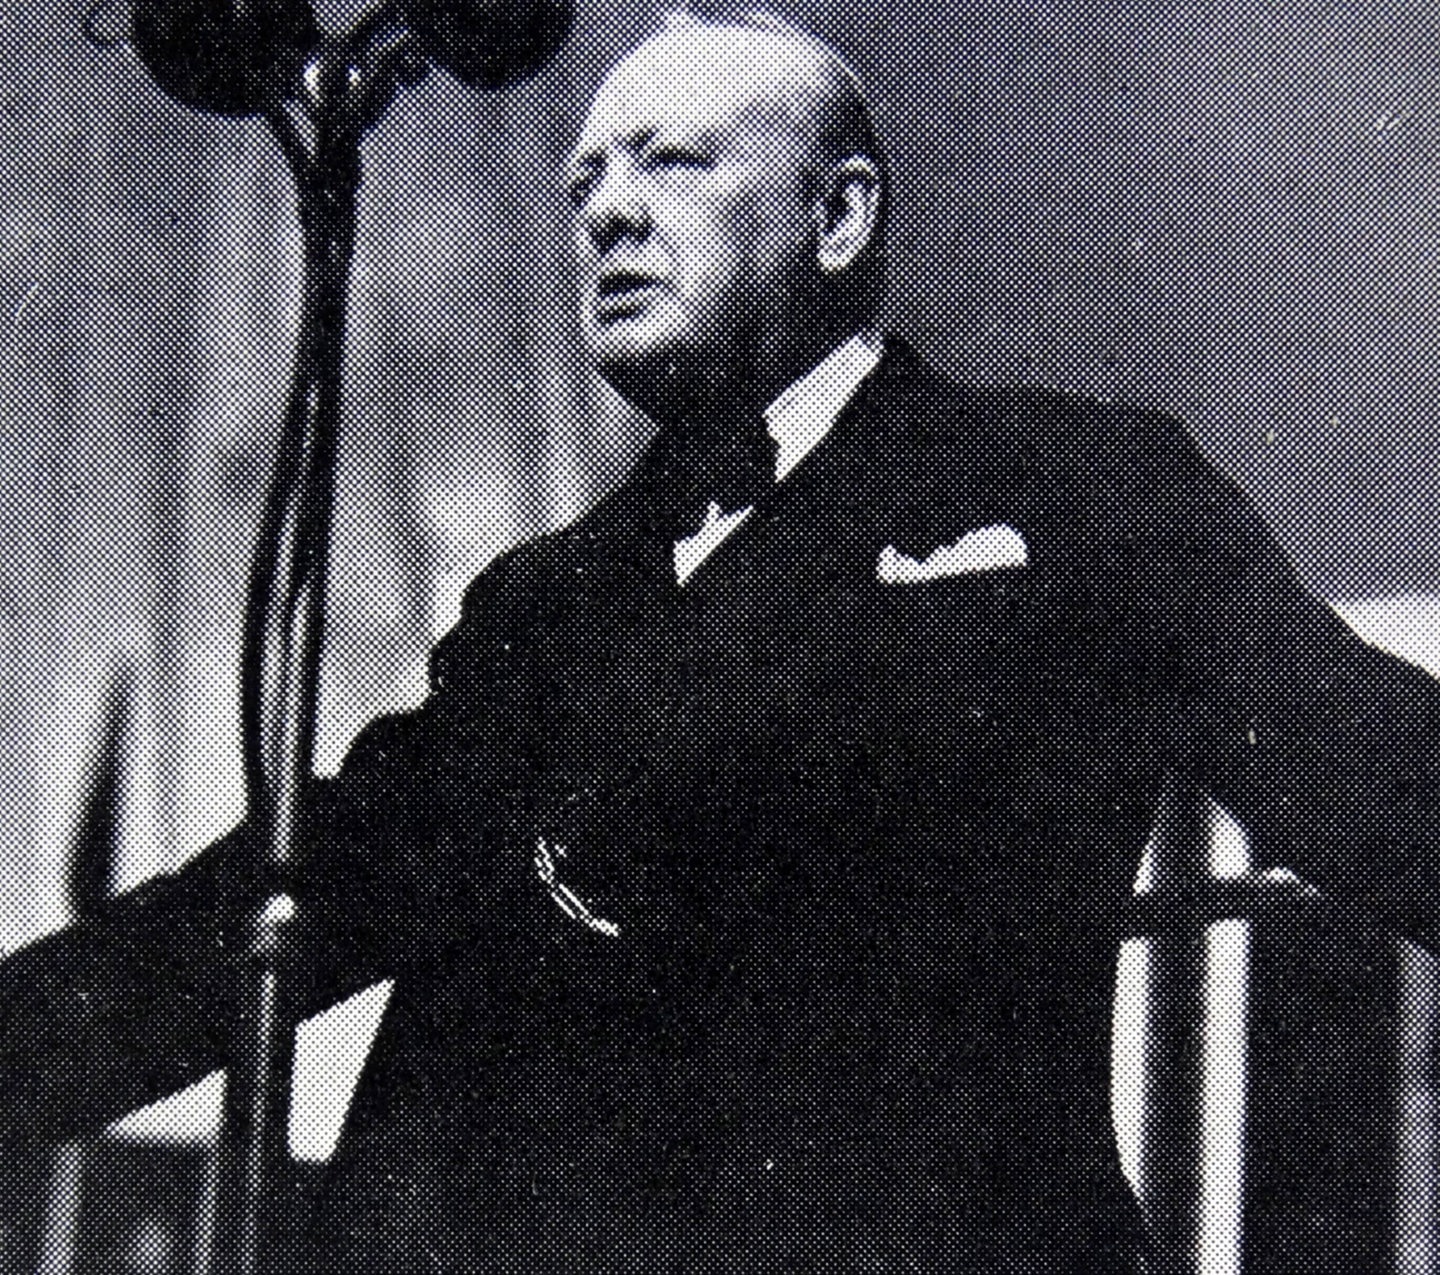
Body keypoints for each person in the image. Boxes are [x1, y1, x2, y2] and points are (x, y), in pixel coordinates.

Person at [3, 10, 1440, 1273]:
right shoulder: (541, 605)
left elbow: (1380, 776)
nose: (608, 217)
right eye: (585, 184)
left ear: (838, 218)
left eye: (673, 164)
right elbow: (291, 895)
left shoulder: (1077, 496)